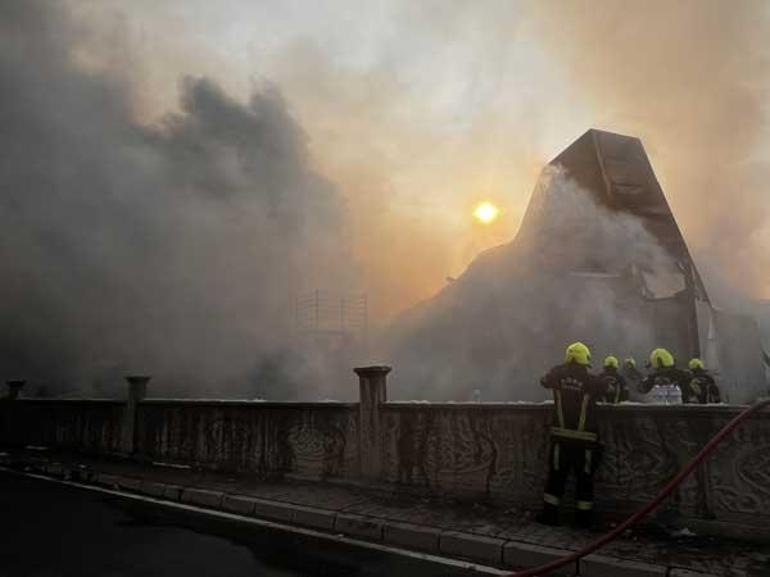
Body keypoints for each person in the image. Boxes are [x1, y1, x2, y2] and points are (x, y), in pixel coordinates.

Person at [538, 342, 606, 527]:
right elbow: (606, 388)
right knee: (584, 481)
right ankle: (582, 521)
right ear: (585, 359)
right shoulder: (591, 380)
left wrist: (560, 369)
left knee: (556, 478)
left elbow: (543, 380)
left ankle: (549, 516)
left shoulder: (557, 376)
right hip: (585, 442)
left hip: (560, 439)